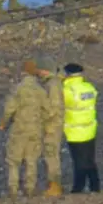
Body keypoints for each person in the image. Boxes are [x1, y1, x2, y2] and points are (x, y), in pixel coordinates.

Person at [0, 60, 48, 199]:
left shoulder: (17, 89)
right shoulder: (40, 90)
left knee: (14, 160)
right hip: (35, 129)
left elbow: (9, 109)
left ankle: (13, 189)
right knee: (31, 160)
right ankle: (30, 188)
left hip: (19, 129)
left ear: (23, 72)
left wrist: (3, 123)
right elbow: (48, 110)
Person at [62, 63, 100, 193]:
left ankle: (78, 187)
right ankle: (95, 186)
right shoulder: (89, 88)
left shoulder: (67, 91)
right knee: (90, 159)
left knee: (78, 161)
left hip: (75, 131)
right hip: (89, 129)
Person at [36, 55, 64, 196]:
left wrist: (44, 120)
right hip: (53, 124)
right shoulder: (53, 83)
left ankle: (55, 186)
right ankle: (53, 184)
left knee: (51, 155)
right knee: (51, 155)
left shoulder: (52, 85)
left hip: (52, 126)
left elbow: (53, 107)